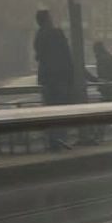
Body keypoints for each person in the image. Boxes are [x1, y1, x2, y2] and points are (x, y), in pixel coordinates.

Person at [34, 10, 73, 151]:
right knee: (61, 110)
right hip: (60, 77)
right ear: (47, 19)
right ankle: (60, 138)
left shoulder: (38, 36)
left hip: (46, 78)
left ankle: (52, 141)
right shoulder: (57, 33)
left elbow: (39, 56)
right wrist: (71, 76)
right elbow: (66, 55)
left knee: (49, 110)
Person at [87, 42, 112, 139]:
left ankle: (100, 135)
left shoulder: (102, 59)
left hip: (107, 89)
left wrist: (91, 78)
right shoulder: (110, 57)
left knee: (105, 113)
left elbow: (103, 77)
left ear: (96, 50)